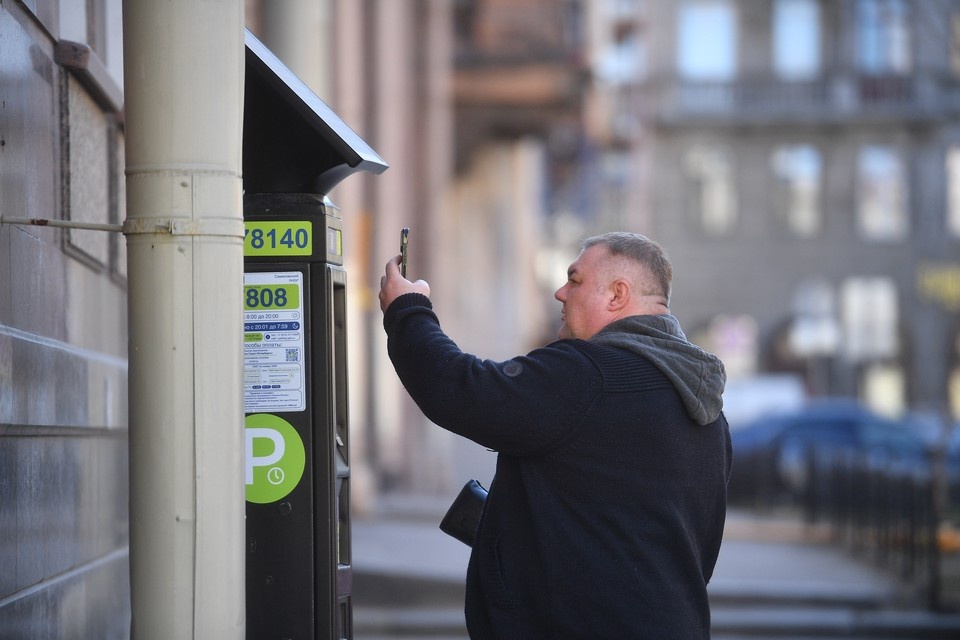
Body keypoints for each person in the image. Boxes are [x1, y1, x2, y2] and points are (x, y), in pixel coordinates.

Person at [378, 231, 731, 639]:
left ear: (617, 295)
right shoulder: (709, 412)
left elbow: (461, 390)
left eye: (575, 280)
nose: (560, 293)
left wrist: (407, 310)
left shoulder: (586, 374)